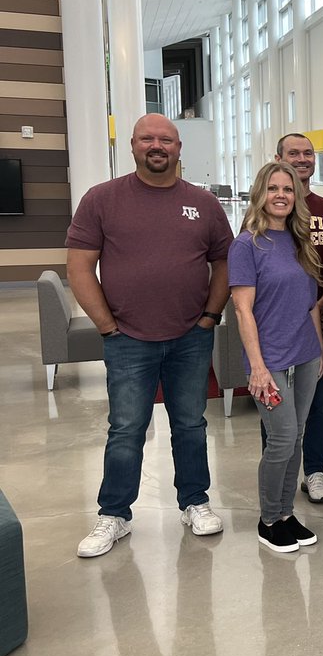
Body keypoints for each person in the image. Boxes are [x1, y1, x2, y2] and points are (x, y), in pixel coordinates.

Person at [69, 114, 233, 558]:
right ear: (133, 146)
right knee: (125, 428)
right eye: (147, 138)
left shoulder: (203, 203)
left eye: (166, 139)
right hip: (128, 340)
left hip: (191, 337)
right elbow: (80, 266)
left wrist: (210, 317)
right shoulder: (102, 199)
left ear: (179, 148)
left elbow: (224, 263)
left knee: (191, 424)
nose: (156, 145)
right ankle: (115, 514)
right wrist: (107, 325)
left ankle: (195, 501)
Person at [229, 162, 323, 553]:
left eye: (288, 189)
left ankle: (286, 513)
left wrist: (318, 348)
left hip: (304, 356)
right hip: (269, 361)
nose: (281, 195)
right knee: (282, 439)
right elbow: (242, 310)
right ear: (260, 194)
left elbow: (309, 305)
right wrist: (256, 367)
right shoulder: (246, 245)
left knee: (297, 436)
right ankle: (268, 519)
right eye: (273, 188)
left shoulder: (301, 241)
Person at [273, 133, 323, 505]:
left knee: (320, 403)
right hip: (276, 325)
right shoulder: (267, 208)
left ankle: (314, 471)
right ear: (278, 157)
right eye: (293, 153)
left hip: (320, 323)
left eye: (308, 153)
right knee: (276, 403)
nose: (302, 159)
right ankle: (278, 468)